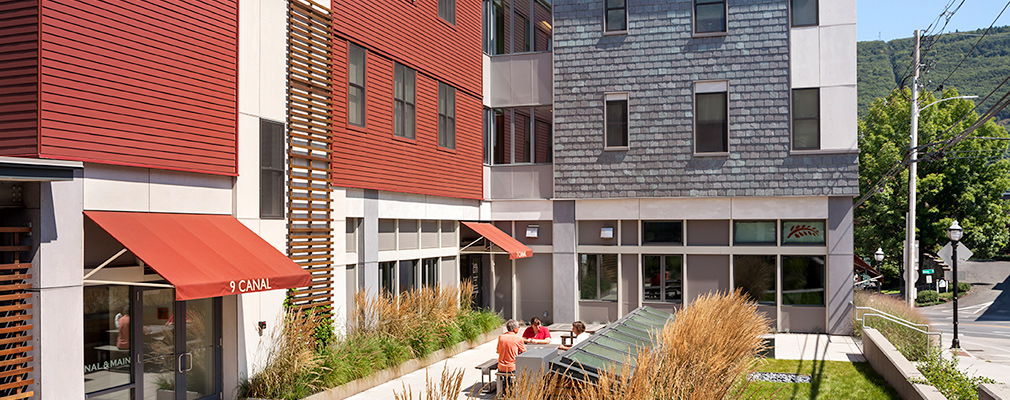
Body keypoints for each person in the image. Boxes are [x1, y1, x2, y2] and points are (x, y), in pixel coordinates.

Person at [496, 319, 526, 392]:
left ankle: (506, 387)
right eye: (518, 327)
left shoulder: (501, 337)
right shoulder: (518, 338)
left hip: (501, 366)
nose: (519, 329)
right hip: (512, 368)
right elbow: (525, 352)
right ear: (515, 329)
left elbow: (498, 351)